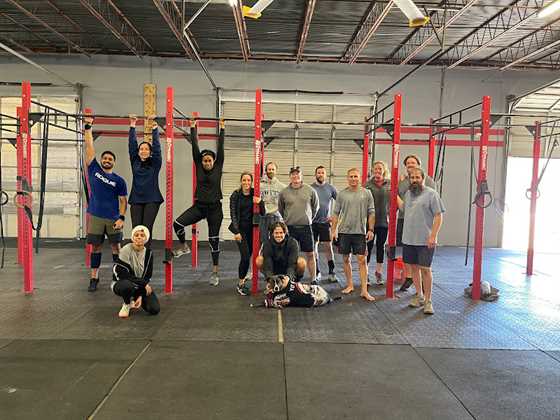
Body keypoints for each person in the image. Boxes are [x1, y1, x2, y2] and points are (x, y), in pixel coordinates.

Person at [173, 119, 225, 286]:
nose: (207, 163)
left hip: (215, 209)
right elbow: (195, 147)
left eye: (210, 160)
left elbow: (221, 147)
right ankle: (184, 246)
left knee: (213, 241)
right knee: (177, 224)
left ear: (214, 161)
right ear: (201, 161)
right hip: (200, 207)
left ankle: (215, 272)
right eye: (205, 161)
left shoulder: (218, 166)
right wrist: (192, 127)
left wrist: (222, 129)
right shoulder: (198, 166)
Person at [84, 114, 128, 292]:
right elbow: (89, 147)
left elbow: (123, 201)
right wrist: (88, 127)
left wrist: (122, 218)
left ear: (114, 162)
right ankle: (94, 278)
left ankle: (117, 276)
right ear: (101, 160)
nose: (107, 160)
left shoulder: (119, 181)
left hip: (113, 218)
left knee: (116, 247)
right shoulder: (93, 169)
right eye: (105, 158)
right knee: (95, 247)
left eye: (110, 159)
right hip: (96, 216)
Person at [397, 167, 445, 315]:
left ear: (423, 179)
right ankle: (419, 295)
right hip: (409, 239)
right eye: (412, 178)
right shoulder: (408, 194)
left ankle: (428, 301)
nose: (415, 180)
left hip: (425, 240)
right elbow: (404, 208)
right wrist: (393, 193)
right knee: (414, 269)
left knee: (425, 269)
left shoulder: (432, 194)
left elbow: (438, 216)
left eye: (418, 177)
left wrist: (433, 236)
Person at [331, 168, 376, 302]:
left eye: (355, 176)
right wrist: (333, 230)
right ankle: (350, 285)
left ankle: (364, 290)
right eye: (351, 176)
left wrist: (371, 229)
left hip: (360, 232)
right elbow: (335, 213)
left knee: (362, 260)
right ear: (347, 178)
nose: (353, 179)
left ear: (360, 178)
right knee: (346, 259)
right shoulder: (342, 194)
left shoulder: (367, 193)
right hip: (344, 231)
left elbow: (371, 212)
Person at [397, 154, 436, 292]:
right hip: (405, 219)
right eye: (408, 163)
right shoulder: (403, 182)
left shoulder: (429, 183)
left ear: (419, 165)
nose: (410, 165)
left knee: (423, 262)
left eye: (413, 163)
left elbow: (433, 206)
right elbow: (399, 201)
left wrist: (433, 234)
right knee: (407, 252)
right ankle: (409, 277)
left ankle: (424, 286)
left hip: (422, 222)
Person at [278, 166, 319, 284]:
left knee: (310, 254)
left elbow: (315, 207)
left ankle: (313, 279)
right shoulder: (284, 192)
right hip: (290, 228)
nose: (295, 176)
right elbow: (281, 209)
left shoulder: (310, 190)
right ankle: (288, 279)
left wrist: (308, 218)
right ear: (290, 177)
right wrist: (288, 219)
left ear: (301, 176)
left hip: (306, 227)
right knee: (289, 255)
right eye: (293, 174)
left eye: (297, 174)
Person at [128, 115, 164, 247]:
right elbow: (132, 145)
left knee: (146, 230)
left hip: (152, 199)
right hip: (136, 199)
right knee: (136, 230)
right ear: (138, 152)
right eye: (141, 149)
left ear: (150, 152)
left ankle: (146, 255)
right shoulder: (135, 162)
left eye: (146, 149)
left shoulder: (155, 163)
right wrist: (132, 125)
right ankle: (136, 256)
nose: (143, 151)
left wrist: (154, 128)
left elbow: (157, 148)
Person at [229, 171, 265, 296]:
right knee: (245, 257)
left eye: (248, 180)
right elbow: (233, 214)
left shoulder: (255, 193)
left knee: (250, 256)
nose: (246, 182)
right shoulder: (235, 195)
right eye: (244, 180)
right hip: (241, 231)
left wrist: (260, 202)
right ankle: (240, 284)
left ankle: (245, 276)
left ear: (251, 182)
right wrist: (236, 231)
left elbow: (263, 213)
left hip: (253, 231)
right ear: (241, 181)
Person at [112, 225, 160, 319]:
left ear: (146, 238)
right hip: (121, 282)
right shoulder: (126, 250)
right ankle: (126, 304)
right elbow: (122, 274)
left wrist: (141, 295)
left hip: (139, 285)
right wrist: (144, 285)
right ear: (133, 237)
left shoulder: (149, 253)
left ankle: (134, 300)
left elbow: (147, 276)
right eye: (136, 235)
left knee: (154, 309)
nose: (139, 237)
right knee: (127, 285)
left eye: (142, 235)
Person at [365, 161, 391, 285]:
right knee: (368, 247)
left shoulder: (390, 184)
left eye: (380, 169)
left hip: (383, 222)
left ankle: (378, 272)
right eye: (375, 169)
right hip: (370, 221)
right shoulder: (367, 185)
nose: (377, 171)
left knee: (381, 246)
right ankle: (366, 273)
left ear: (384, 170)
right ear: (372, 170)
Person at [310, 165, 338, 283]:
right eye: (318, 173)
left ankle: (332, 272)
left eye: (322, 173)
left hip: (325, 223)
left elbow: (340, 202)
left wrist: (334, 216)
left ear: (325, 175)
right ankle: (317, 272)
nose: (320, 174)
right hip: (312, 223)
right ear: (315, 174)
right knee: (314, 248)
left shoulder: (330, 188)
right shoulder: (310, 188)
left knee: (328, 247)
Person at [259, 162, 286, 241]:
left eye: (273, 169)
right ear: (266, 171)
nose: (271, 171)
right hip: (263, 217)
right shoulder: (259, 186)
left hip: (276, 217)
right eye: (269, 169)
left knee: (276, 240)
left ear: (276, 171)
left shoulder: (282, 187)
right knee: (263, 240)